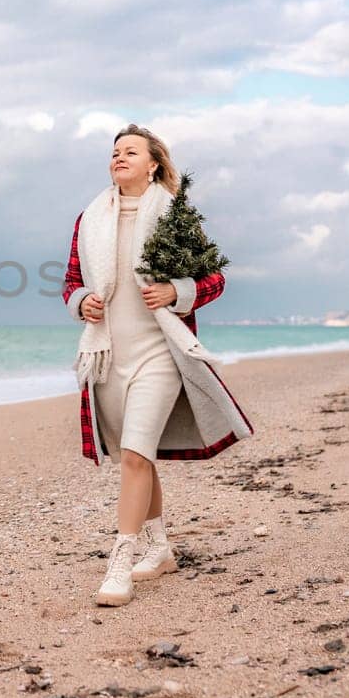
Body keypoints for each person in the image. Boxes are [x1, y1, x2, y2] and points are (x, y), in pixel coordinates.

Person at [61, 125, 253, 607]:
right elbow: (71, 282)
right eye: (114, 152)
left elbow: (214, 277)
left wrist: (175, 292)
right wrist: (81, 301)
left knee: (133, 456)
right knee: (137, 455)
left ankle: (121, 561)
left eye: (130, 151)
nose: (118, 158)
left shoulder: (175, 215)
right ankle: (161, 549)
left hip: (160, 353)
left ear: (153, 164)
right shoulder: (89, 218)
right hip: (109, 356)